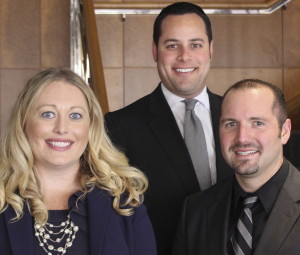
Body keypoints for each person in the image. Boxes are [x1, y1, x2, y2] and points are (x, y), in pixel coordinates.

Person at [104, 2, 232, 254]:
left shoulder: (238, 118)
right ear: (155, 51)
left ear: (211, 50)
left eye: (195, 45)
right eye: (172, 45)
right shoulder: (118, 127)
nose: (185, 56)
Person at [0, 68, 157, 255]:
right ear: (23, 122)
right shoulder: (3, 198)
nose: (62, 128)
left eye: (75, 116)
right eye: (48, 114)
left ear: (91, 126)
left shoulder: (124, 201)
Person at [172, 79, 300, 255]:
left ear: (284, 131)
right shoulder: (195, 211)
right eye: (231, 124)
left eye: (257, 123)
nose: (242, 138)